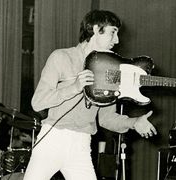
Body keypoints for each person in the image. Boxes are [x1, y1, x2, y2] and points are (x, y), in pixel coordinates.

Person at [23, 10, 157, 180]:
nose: (117, 40)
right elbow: (38, 102)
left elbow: (106, 119)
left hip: (82, 145)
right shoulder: (61, 57)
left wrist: (134, 122)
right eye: (113, 32)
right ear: (95, 29)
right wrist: (74, 87)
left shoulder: (110, 70)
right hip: (54, 139)